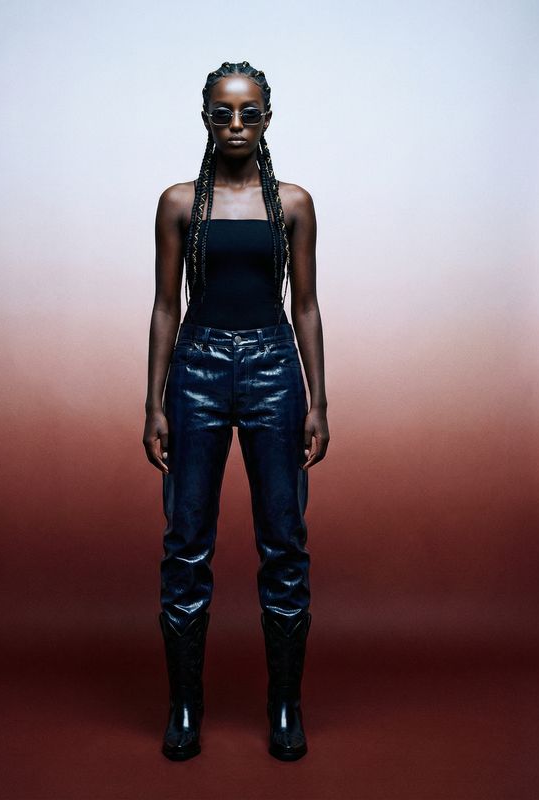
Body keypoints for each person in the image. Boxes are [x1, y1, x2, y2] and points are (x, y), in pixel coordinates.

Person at [143, 60, 329, 762]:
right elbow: (166, 306)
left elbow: (305, 306)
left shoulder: (295, 205)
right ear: (205, 118)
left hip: (275, 372)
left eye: (249, 112)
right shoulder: (178, 202)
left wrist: (318, 400)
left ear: (268, 117)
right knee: (185, 543)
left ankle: (285, 706)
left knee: (284, 541)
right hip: (195, 371)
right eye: (223, 113)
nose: (237, 125)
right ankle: (185, 706)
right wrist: (154, 402)